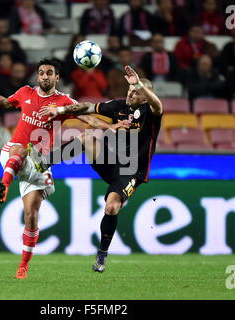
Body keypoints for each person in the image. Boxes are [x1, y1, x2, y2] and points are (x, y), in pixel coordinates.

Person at [0, 58, 127, 279]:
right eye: (42, 72)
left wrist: (110, 126)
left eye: (50, 73)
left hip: (39, 163)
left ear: (57, 77)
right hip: (12, 154)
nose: (45, 76)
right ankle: (4, 185)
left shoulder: (64, 101)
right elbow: (3, 102)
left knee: (31, 216)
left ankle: (23, 266)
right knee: (21, 149)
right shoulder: (26, 92)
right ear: (38, 76)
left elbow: (88, 119)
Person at [39, 65, 163, 272]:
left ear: (144, 97)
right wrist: (59, 110)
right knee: (87, 137)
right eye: (129, 90)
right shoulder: (119, 106)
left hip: (133, 171)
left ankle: (102, 254)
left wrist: (139, 84)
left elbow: (158, 105)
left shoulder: (150, 113)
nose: (131, 94)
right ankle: (43, 162)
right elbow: (86, 107)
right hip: (113, 162)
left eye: (136, 92)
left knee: (112, 207)